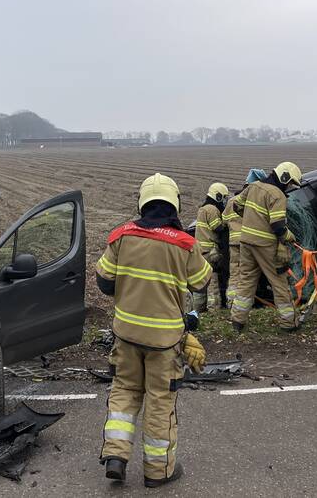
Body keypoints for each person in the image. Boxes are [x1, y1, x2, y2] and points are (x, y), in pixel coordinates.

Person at [96, 173, 210, 488]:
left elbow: (104, 283)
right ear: (174, 204)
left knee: (124, 391)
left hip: (126, 334)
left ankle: (116, 456)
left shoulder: (121, 236)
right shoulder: (186, 244)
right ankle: (158, 472)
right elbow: (202, 282)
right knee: (160, 401)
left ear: (142, 202)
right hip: (165, 341)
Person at [230, 162, 302, 332]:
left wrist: (251, 219)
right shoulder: (278, 195)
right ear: (284, 178)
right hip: (265, 246)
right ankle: (289, 323)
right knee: (279, 282)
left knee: (246, 280)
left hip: (246, 241)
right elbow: (278, 226)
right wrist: (289, 237)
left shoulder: (253, 186)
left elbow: (237, 205)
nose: (289, 186)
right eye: (290, 182)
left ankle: (237, 320)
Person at [222, 169, 265, 309]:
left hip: (234, 243)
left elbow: (224, 220)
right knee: (250, 274)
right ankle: (248, 303)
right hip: (250, 242)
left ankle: (231, 302)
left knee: (235, 272)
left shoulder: (232, 201)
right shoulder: (255, 200)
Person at [193, 182, 229, 311]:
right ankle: (214, 308)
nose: (224, 201)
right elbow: (217, 227)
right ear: (218, 196)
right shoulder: (212, 209)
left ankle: (198, 309)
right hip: (210, 251)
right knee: (213, 282)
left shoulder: (203, 208)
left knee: (201, 282)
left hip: (200, 251)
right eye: (223, 197)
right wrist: (227, 222)